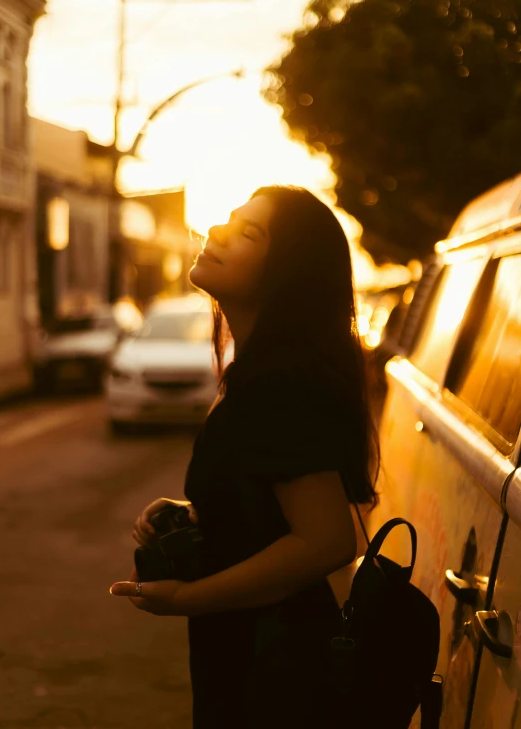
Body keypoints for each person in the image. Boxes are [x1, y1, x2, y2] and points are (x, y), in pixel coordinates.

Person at [110, 185, 379, 728]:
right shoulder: (261, 372)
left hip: (276, 669)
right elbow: (274, 501)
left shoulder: (277, 385)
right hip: (258, 655)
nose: (216, 231)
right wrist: (197, 511)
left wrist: (189, 595)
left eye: (249, 232)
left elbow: (327, 540)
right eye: (229, 221)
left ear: (289, 274)